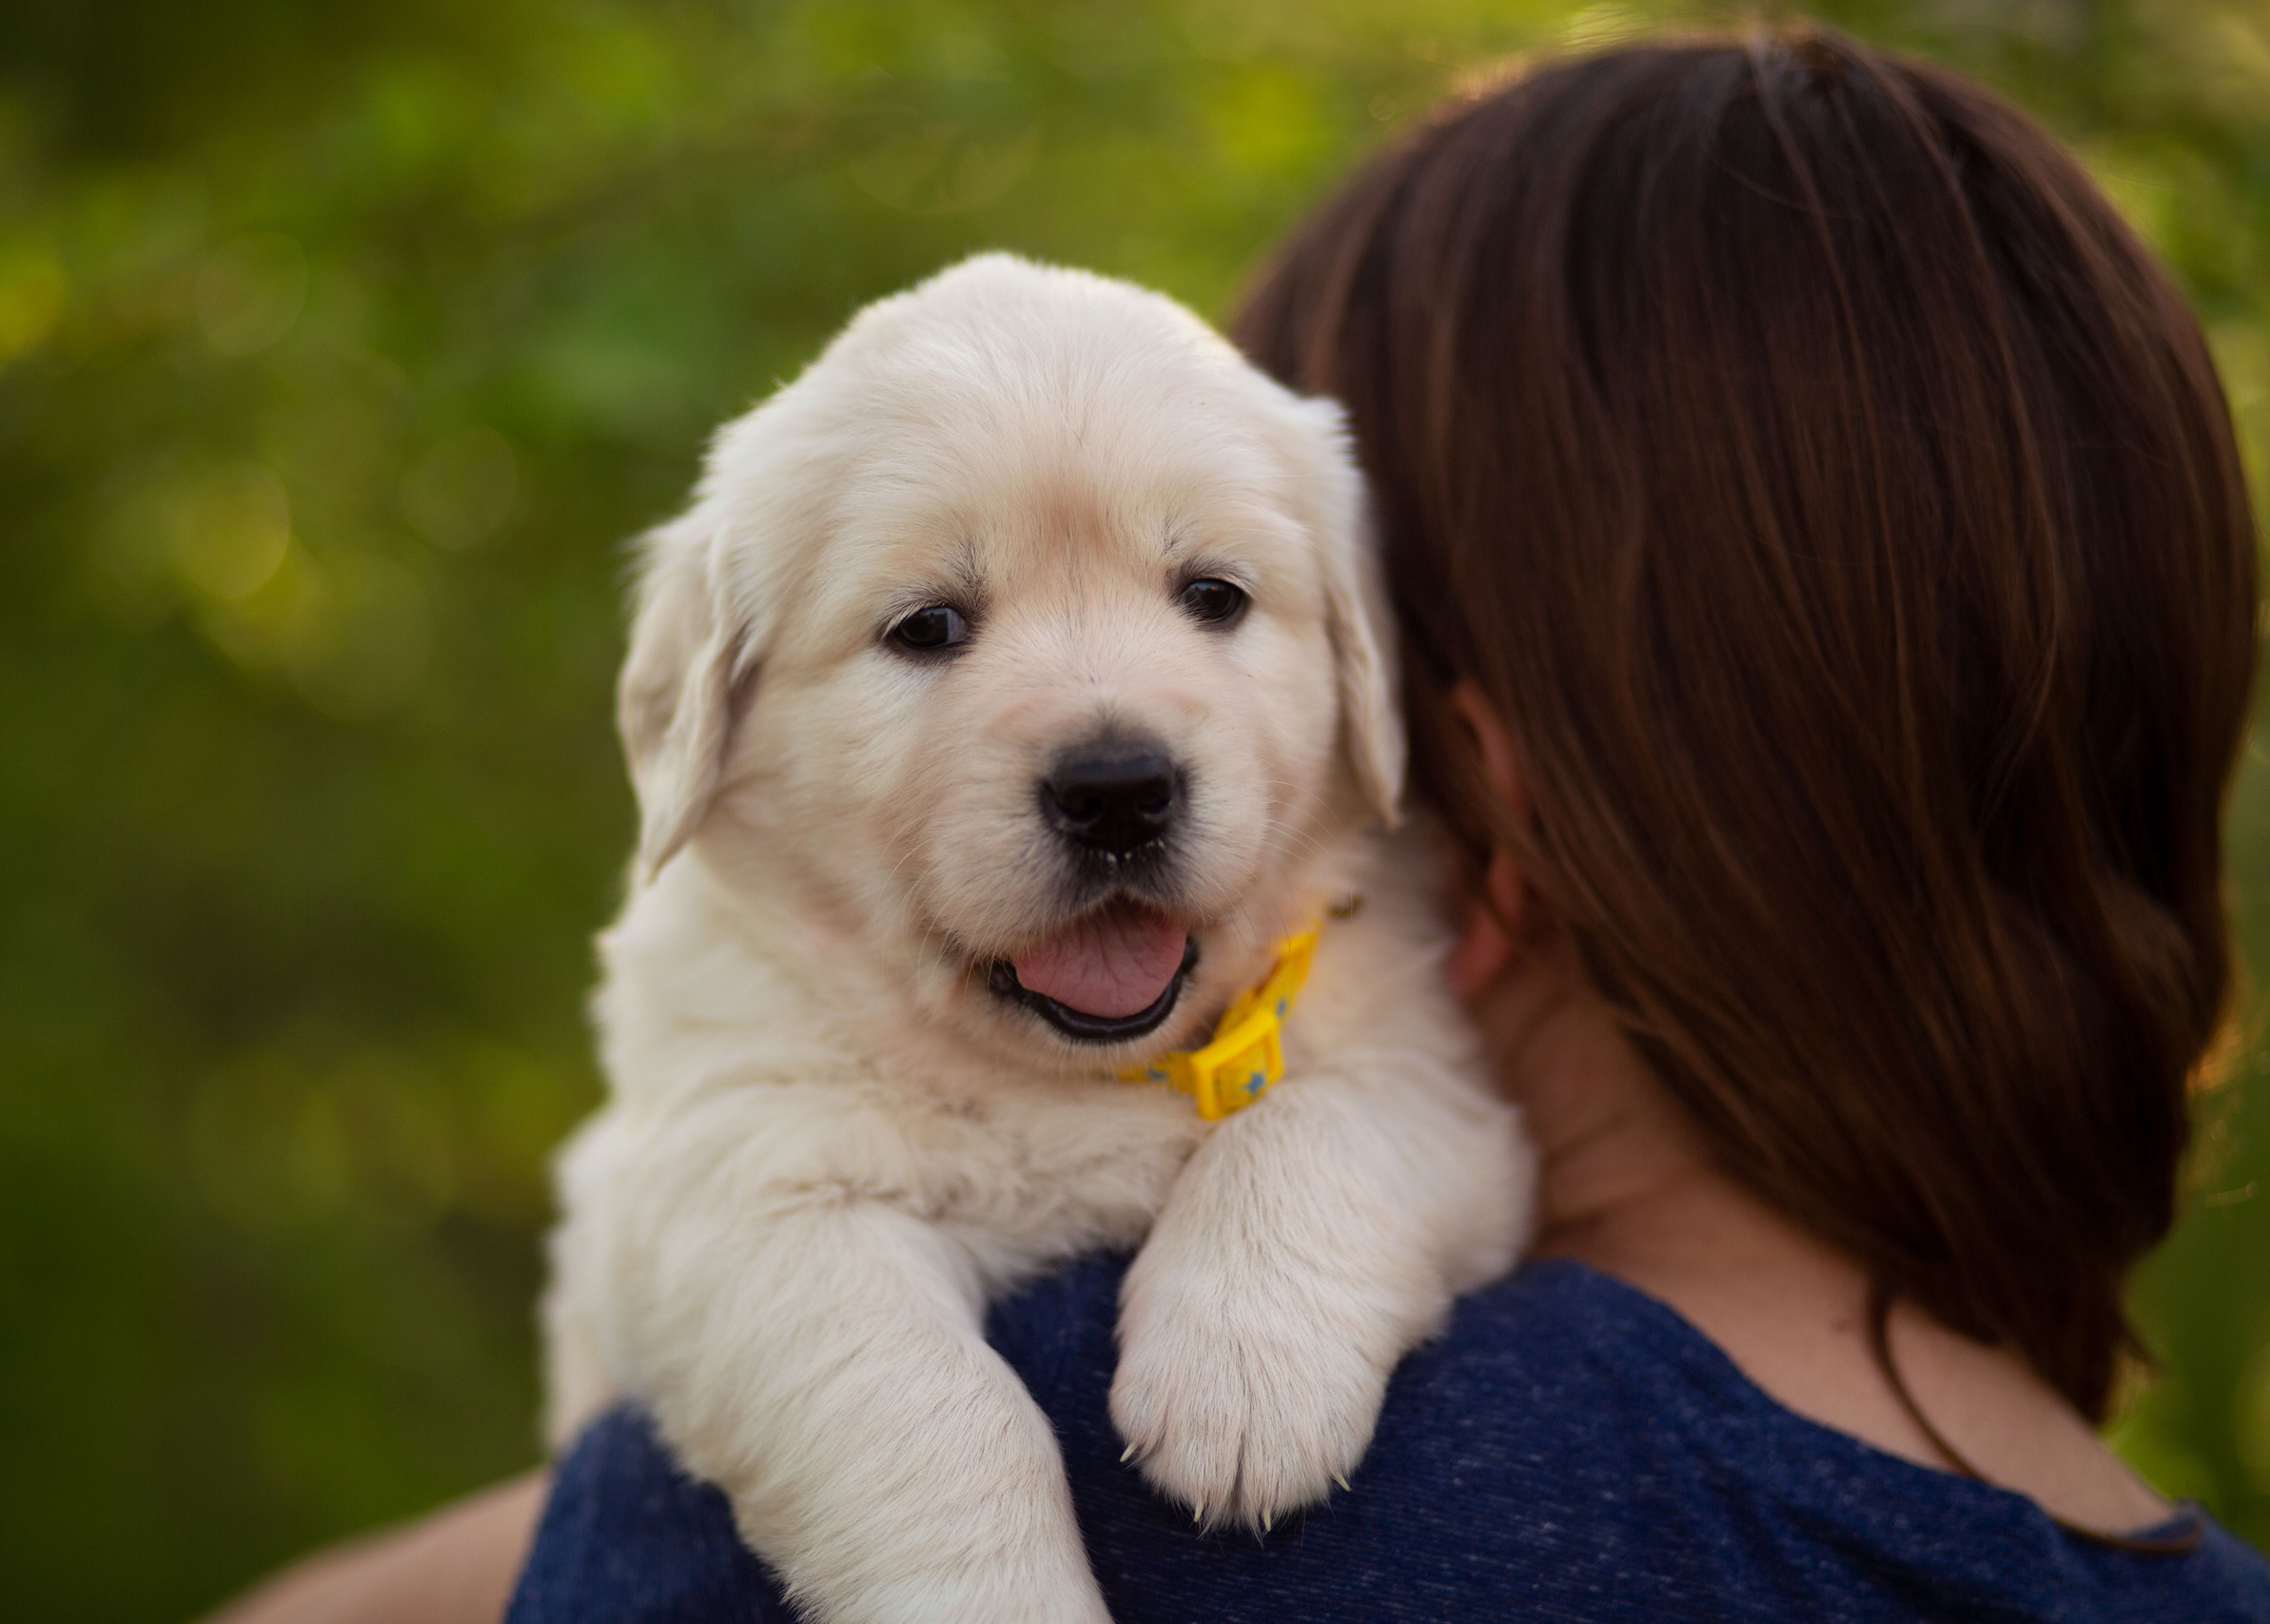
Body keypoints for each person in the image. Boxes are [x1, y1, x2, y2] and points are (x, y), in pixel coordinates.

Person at [205, 26, 2270, 1623]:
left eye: (1219, 599)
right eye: (928, 622)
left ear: (1433, 730)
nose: (1116, 731)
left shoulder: (1221, 1475)